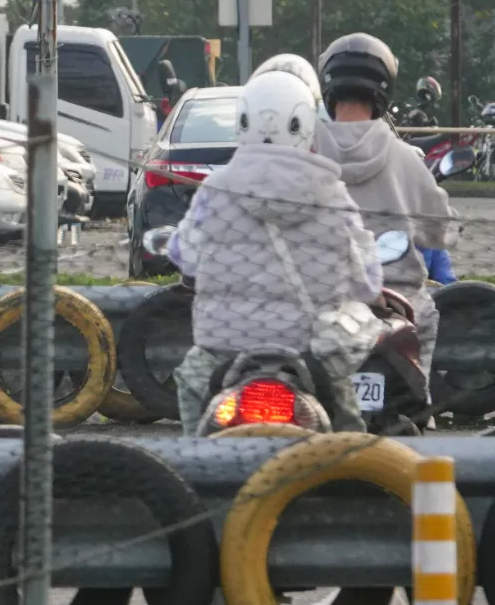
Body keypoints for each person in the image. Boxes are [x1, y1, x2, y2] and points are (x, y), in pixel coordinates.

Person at [169, 69, 382, 435]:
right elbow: (366, 283)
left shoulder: (215, 189)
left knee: (190, 386)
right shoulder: (333, 195)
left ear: (243, 121)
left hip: (223, 349)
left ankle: (195, 476)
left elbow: (184, 255)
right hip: (311, 353)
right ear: (306, 124)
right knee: (350, 438)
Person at [314, 33, 454, 393]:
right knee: (425, 321)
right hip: (397, 305)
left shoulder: (305, 154)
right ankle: (419, 408)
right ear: (383, 90)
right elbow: (440, 232)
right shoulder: (405, 157)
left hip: (319, 300)